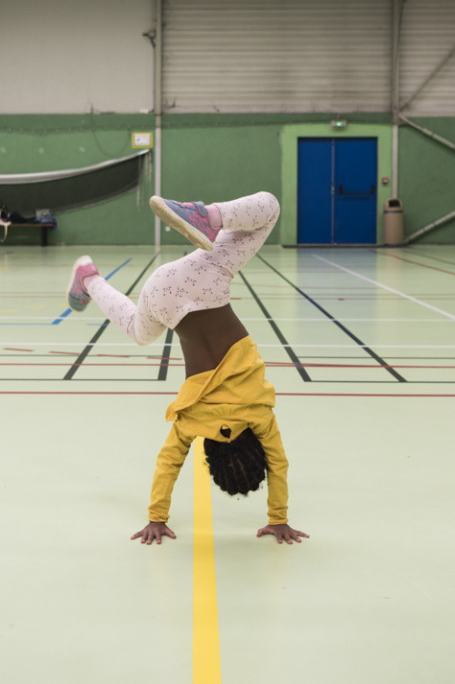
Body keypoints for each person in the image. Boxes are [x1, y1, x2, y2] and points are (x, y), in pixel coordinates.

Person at [66, 191, 308, 545]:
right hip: (161, 296)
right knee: (137, 330)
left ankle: (205, 215)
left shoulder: (259, 414)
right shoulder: (193, 420)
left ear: (254, 444)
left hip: (204, 276)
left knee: (270, 208)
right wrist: (156, 517)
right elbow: (168, 465)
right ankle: (88, 279)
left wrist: (279, 517)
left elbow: (279, 465)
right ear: (211, 454)